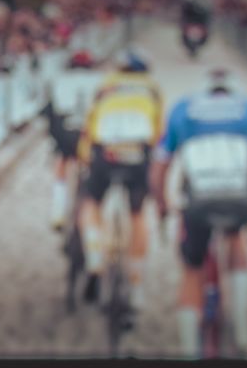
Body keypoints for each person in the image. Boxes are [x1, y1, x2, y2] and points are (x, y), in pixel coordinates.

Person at [150, 68, 247, 357]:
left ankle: (189, 348)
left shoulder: (183, 109)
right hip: (240, 199)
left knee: (192, 268)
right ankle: (241, 324)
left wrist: (162, 204)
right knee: (237, 237)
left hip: (199, 202)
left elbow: (161, 166)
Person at [76, 49, 165, 310]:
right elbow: (159, 131)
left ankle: (94, 260)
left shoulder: (106, 85)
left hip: (106, 151)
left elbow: (89, 125)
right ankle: (136, 284)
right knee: (138, 214)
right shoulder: (152, 88)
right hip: (138, 152)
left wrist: (84, 157)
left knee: (91, 203)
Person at [45, 49, 104, 230]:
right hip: (88, 132)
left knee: (61, 165)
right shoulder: (100, 80)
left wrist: (54, 139)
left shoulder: (60, 80)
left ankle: (57, 212)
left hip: (66, 128)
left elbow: (51, 112)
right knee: (91, 172)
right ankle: (90, 220)